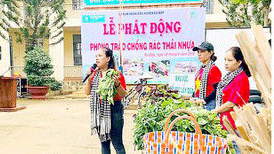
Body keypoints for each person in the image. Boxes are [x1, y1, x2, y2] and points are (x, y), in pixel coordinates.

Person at [85, 47, 127, 154]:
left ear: (108, 58)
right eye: (96, 56)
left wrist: (117, 83)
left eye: (100, 56)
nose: (97, 59)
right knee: (104, 145)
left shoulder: (115, 74)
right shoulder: (94, 74)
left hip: (115, 111)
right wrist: (89, 79)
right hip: (100, 112)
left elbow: (123, 94)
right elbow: (87, 92)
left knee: (117, 143)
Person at [211, 47, 251, 154]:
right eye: (224, 60)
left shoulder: (241, 78)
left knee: (236, 149)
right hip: (226, 122)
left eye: (229, 60)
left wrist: (215, 111)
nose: (225, 63)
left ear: (239, 62)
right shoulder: (230, 76)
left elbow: (232, 103)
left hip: (235, 124)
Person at [191, 42, 222, 111]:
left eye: (202, 51)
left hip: (209, 104)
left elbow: (217, 90)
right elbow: (197, 87)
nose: (199, 54)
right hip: (199, 102)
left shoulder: (214, 69)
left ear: (210, 53)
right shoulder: (200, 69)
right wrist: (193, 97)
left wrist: (203, 100)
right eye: (198, 52)